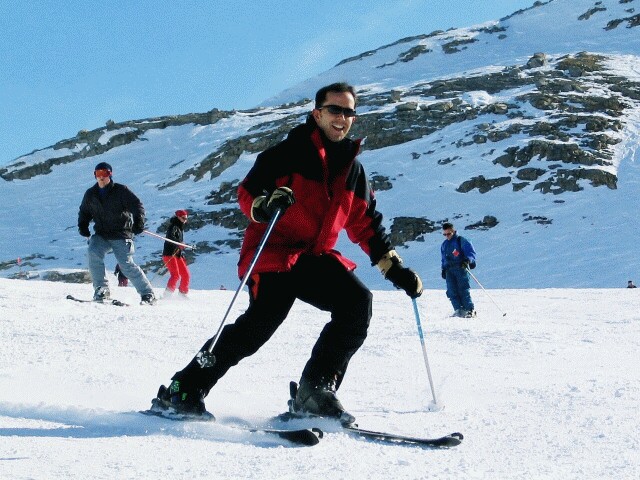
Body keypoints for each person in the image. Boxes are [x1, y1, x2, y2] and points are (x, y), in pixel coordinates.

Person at [149, 82, 423, 423]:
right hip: (272, 253)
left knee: (356, 303)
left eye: (349, 111)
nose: (342, 118)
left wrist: (394, 269)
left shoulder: (353, 170)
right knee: (259, 326)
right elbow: (249, 192)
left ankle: (315, 391)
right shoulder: (288, 152)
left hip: (313, 258)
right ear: (317, 114)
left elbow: (366, 224)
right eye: (335, 110)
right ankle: (183, 390)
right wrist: (265, 205)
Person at [78, 162, 156, 305]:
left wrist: (138, 222)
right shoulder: (91, 194)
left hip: (121, 234)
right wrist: (83, 225)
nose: (101, 177)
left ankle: (147, 294)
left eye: (105, 173)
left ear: (110, 174)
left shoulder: (120, 191)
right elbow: (84, 211)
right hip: (102, 234)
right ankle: (102, 289)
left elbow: (137, 205)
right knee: (93, 252)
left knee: (125, 265)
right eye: (98, 174)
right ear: (95, 175)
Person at [441, 222, 477, 318]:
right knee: (451, 291)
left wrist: (468, 260)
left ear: (453, 231)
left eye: (448, 234)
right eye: (445, 234)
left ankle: (469, 310)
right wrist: (443, 269)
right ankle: (458, 310)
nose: (447, 236)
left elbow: (471, 253)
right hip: (449, 270)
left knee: (463, 290)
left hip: (461, 268)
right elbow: (443, 259)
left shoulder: (461, 240)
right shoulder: (444, 245)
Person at [162, 209, 191, 298]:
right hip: (169, 254)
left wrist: (180, 245)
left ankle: (182, 293)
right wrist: (179, 243)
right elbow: (170, 238)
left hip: (177, 254)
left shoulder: (180, 227)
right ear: (178, 217)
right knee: (175, 275)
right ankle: (167, 295)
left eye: (186, 218)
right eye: (183, 218)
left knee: (186, 275)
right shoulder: (173, 226)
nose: (185, 220)